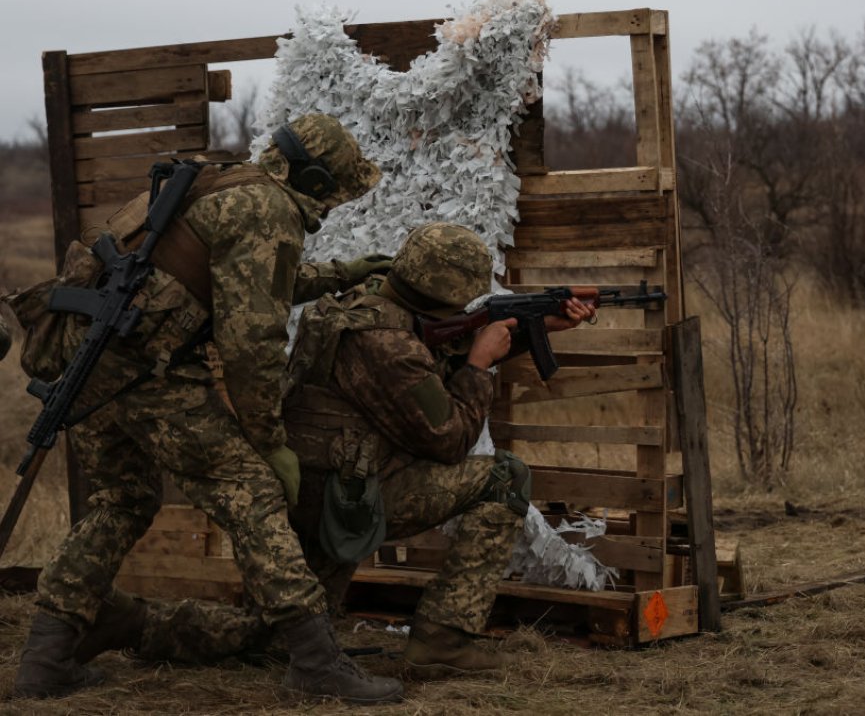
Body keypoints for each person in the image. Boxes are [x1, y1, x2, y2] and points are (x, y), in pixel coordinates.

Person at [68, 222, 594, 675]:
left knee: (277, 638)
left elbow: (424, 362)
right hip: (348, 502)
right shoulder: (388, 347)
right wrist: (480, 367)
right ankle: (445, 637)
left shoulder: (352, 309)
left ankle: (133, 622)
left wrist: (531, 328)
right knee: (503, 477)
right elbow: (449, 439)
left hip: (313, 489)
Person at [14, 113, 406, 705]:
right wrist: (269, 440)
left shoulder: (221, 183)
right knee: (252, 494)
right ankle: (316, 662)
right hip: (147, 375)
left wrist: (337, 276)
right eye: (335, 192)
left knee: (123, 502)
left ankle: (45, 658)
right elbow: (252, 340)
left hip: (92, 371)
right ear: (317, 178)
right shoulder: (270, 209)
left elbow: (241, 277)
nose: (332, 206)